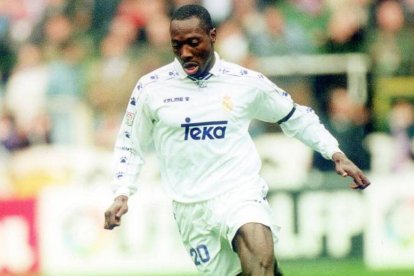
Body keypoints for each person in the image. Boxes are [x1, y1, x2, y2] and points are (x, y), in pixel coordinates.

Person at [104, 4, 370, 276]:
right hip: (190, 208)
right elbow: (129, 143)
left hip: (239, 193)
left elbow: (294, 115)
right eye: (177, 45)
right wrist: (121, 192)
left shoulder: (244, 82)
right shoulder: (151, 88)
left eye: (193, 42)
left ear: (213, 35)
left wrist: (334, 152)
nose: (185, 53)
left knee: (258, 256)